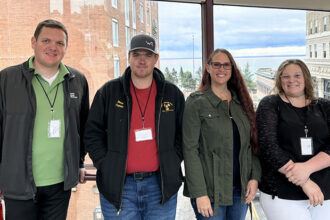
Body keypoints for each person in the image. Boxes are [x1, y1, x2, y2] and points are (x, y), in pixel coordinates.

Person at [84, 34, 185, 220]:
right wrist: (106, 165)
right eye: (136, 54)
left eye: (147, 55)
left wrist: (172, 159)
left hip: (160, 186)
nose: (142, 60)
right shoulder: (108, 93)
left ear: (156, 58)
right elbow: (92, 133)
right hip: (120, 187)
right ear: (129, 57)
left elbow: (183, 133)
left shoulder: (172, 94)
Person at [0, 19, 89, 220]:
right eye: (46, 40)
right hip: (18, 183)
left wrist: (80, 162)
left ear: (66, 47)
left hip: (60, 186)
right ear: (33, 42)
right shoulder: (6, 79)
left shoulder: (77, 81)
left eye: (60, 43)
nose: (53, 47)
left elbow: (82, 127)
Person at [182, 48, 261, 220]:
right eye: (216, 64)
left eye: (226, 65)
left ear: (232, 70)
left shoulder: (242, 102)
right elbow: (190, 150)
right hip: (210, 193)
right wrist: (199, 193)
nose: (221, 69)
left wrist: (254, 179)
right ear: (208, 68)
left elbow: (252, 145)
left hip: (240, 192)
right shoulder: (196, 102)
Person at [256, 59, 330, 220]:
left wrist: (307, 169)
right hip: (282, 193)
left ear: (306, 77)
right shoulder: (270, 104)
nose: (291, 80)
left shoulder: (325, 106)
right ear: (279, 80)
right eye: (285, 76)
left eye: (297, 75)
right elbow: (269, 147)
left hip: (324, 191)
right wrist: (305, 182)